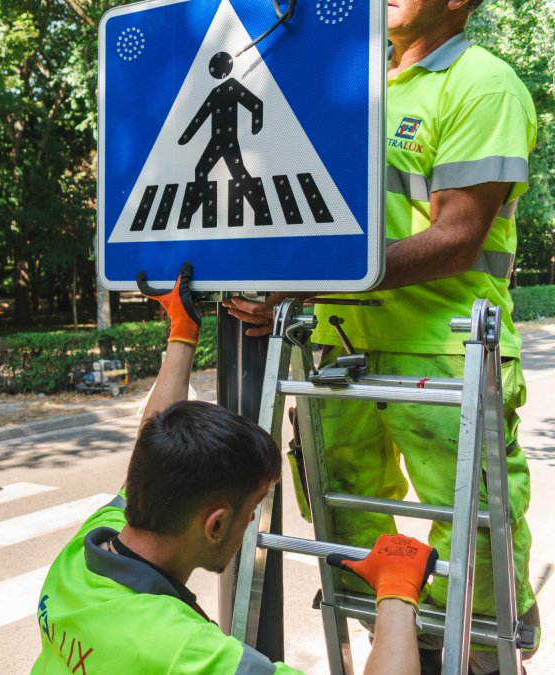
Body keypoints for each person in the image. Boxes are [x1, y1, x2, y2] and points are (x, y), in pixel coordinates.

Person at [222, 0, 539, 670]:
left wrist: (309, 282)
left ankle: (485, 640)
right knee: (342, 509)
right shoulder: (351, 85)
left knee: (476, 524)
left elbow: (456, 237)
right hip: (340, 345)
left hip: (444, 346)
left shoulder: (483, 84)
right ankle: (390, 636)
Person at [33, 263, 437, 675]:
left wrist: (183, 332)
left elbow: (144, 453)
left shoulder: (83, 555)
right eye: (253, 508)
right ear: (215, 524)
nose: (254, 522)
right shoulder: (185, 653)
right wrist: (398, 592)